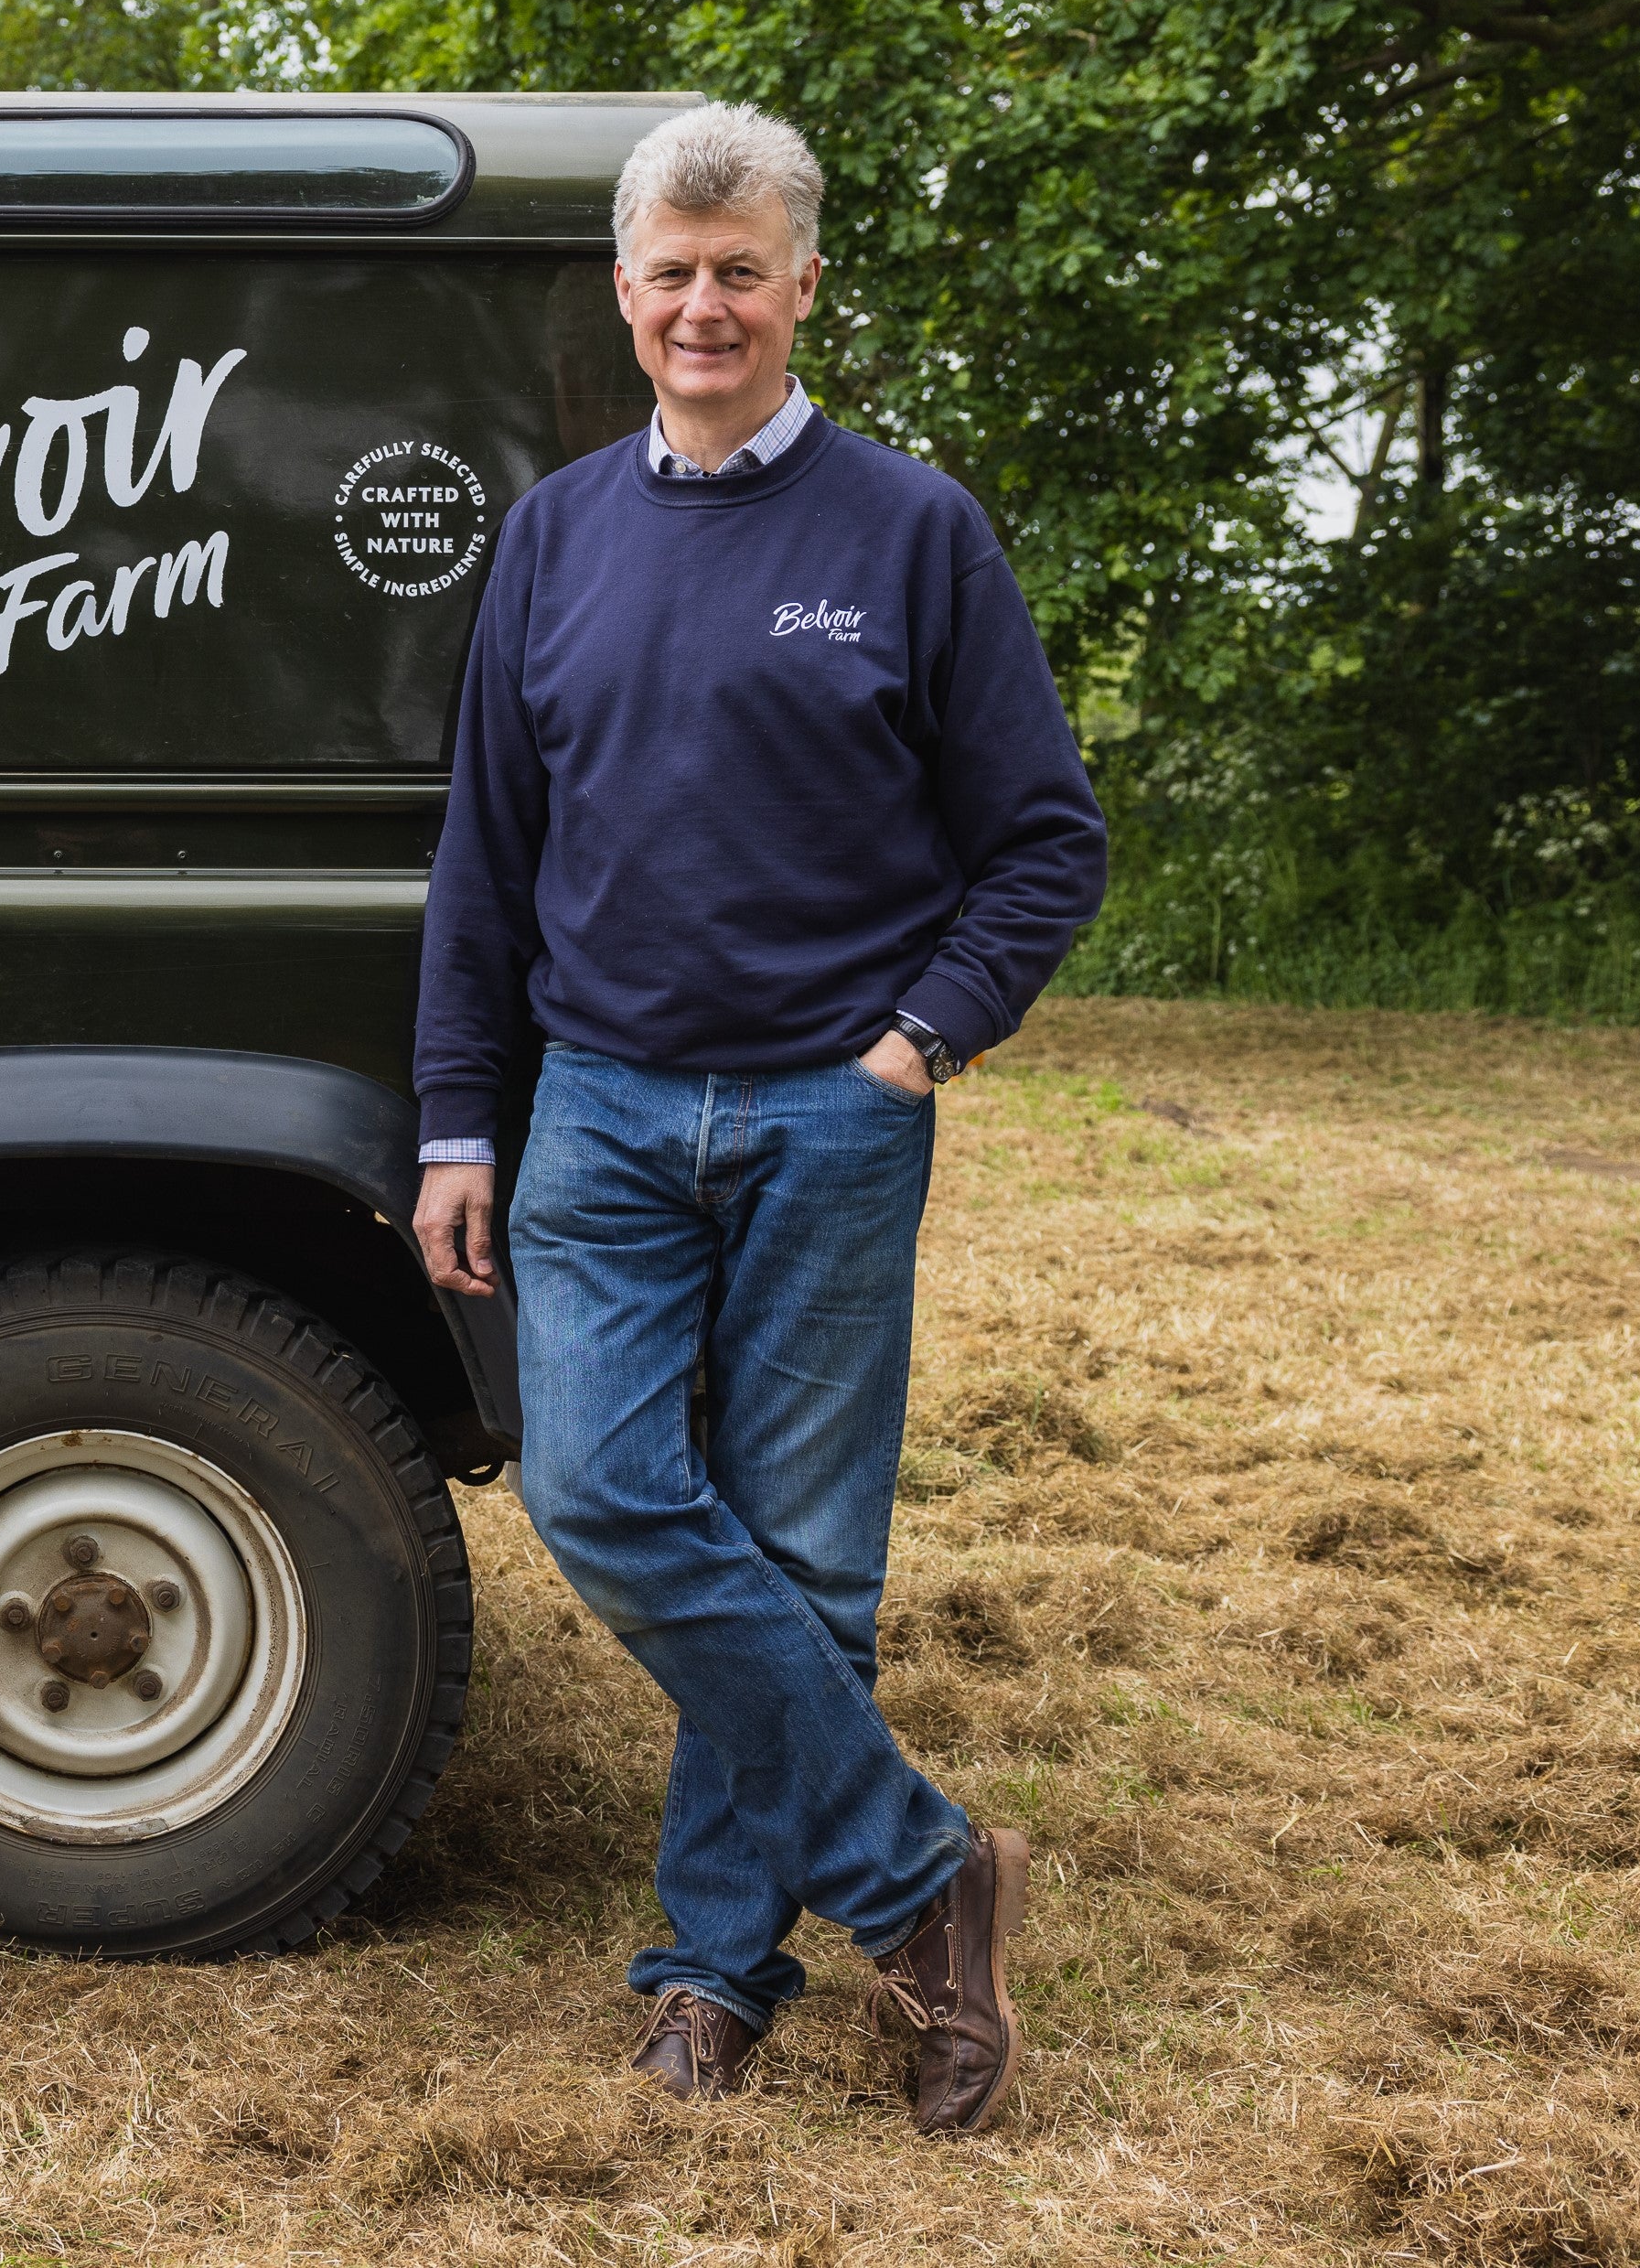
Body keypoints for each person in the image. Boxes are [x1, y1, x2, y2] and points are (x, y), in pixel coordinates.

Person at [410, 107, 1106, 2134]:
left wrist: (914, 1042)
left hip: (827, 1106)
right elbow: (485, 857)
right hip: (600, 1111)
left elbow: (1041, 841)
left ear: (802, 286)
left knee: (800, 1560)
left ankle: (711, 1975)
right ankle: (926, 1872)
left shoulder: (910, 530)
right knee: (606, 1496)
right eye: (668, 271)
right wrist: (464, 1119)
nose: (701, 303)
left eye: (739, 269)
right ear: (621, 295)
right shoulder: (554, 534)